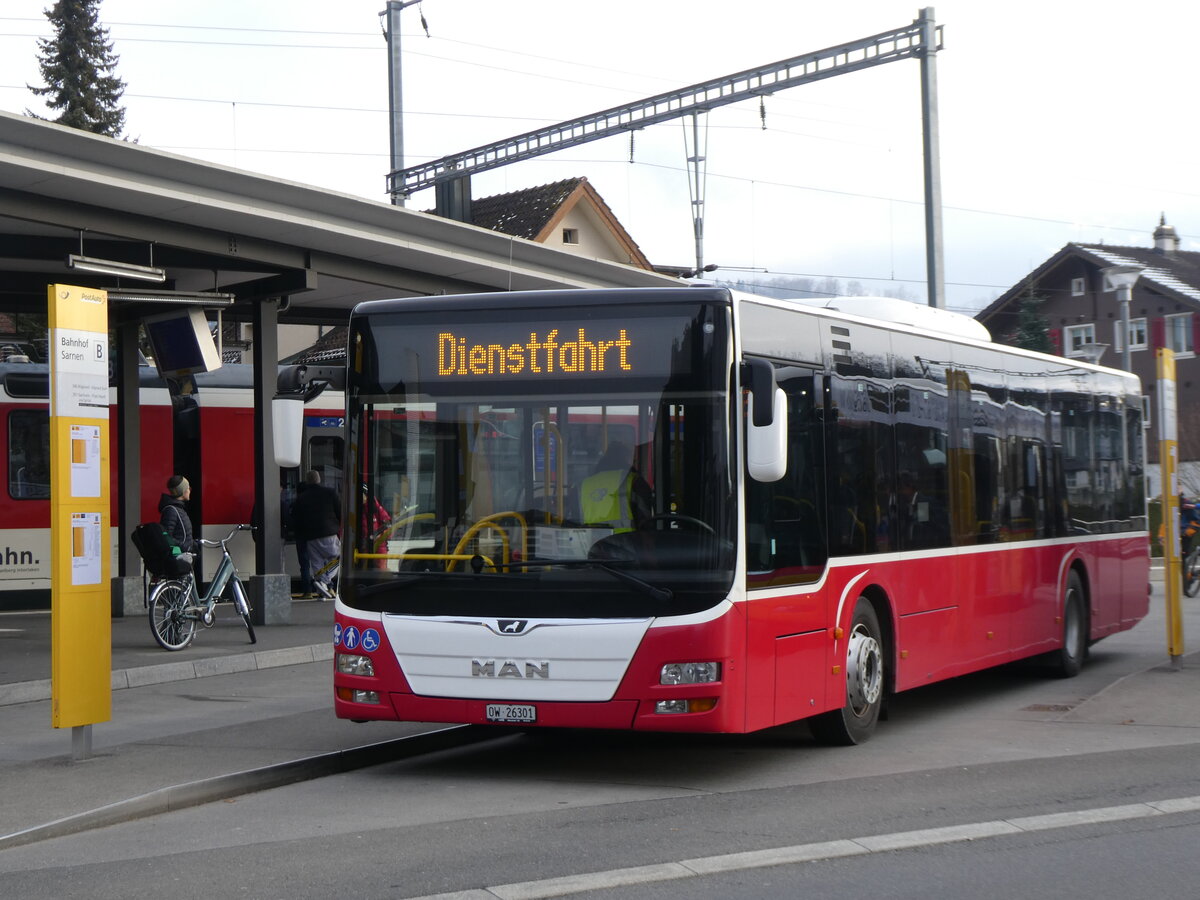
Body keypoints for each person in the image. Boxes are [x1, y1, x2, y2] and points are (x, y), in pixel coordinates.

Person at [290, 469, 341, 599]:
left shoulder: (301, 498)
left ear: (307, 481)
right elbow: (339, 511)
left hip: (310, 537)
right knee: (339, 558)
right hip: (329, 533)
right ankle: (324, 581)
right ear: (319, 480)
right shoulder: (330, 493)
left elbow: (296, 518)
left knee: (317, 563)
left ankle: (321, 588)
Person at [579, 441, 652, 533]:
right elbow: (646, 519)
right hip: (627, 543)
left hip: (592, 544)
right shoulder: (634, 482)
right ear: (625, 459)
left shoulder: (584, 485)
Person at [158, 474, 196, 566]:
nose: (190, 490)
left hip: (184, 555)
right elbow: (166, 537)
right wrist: (186, 547)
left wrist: (193, 543)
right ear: (182, 491)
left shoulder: (179, 509)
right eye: (188, 488)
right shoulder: (172, 510)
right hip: (180, 556)